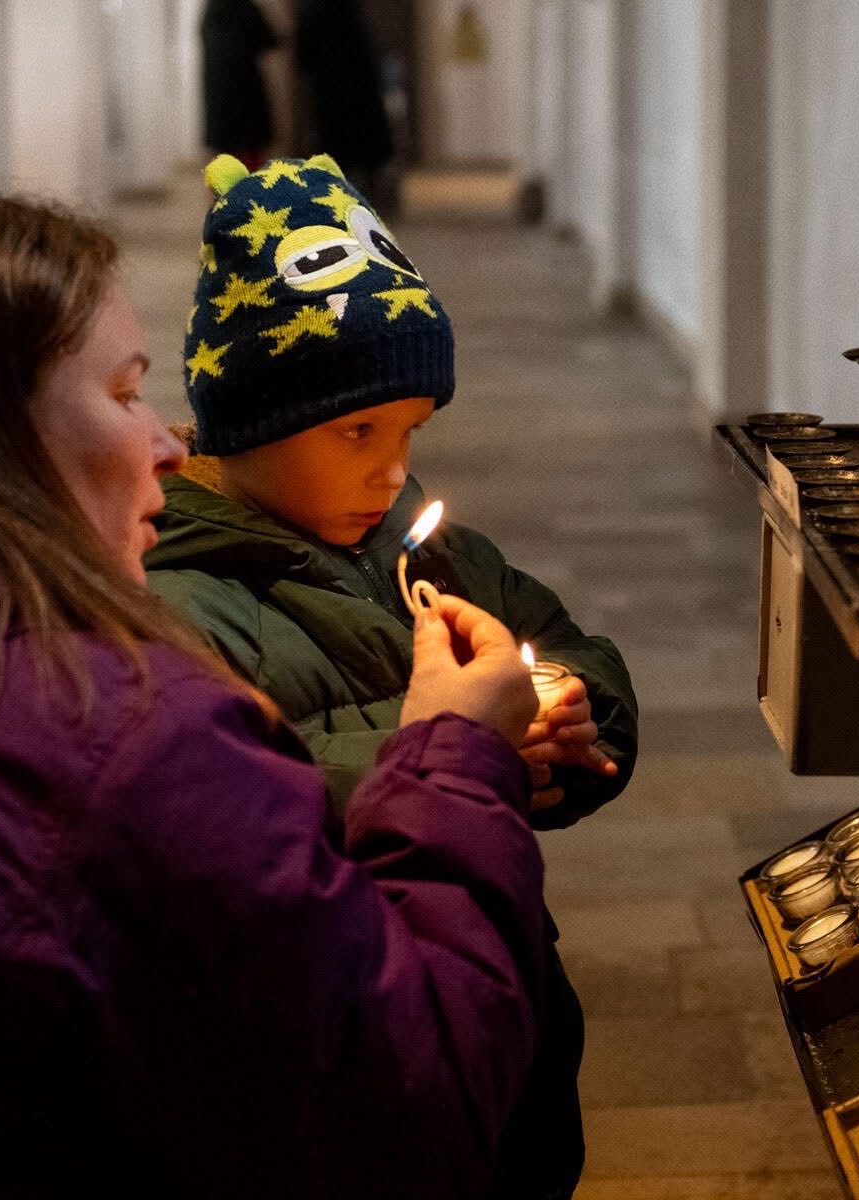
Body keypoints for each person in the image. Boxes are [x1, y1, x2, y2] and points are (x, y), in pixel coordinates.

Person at [0, 194, 551, 1198]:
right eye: (124, 391)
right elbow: (413, 1104)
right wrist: (452, 755)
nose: (171, 445)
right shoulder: (118, 735)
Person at [147, 152, 640, 1198]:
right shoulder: (177, 599)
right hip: (349, 1042)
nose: (391, 468)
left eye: (411, 430)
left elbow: (567, 640)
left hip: (503, 1002)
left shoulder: (411, 538)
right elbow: (240, 799)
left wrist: (566, 709)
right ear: (249, 419)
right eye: (356, 430)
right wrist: (456, 751)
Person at [292, 0, 394, 204]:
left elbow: (304, 58)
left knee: (339, 151)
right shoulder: (351, 10)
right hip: (359, 87)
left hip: (331, 90)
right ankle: (369, 197)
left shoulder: (313, 12)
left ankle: (341, 198)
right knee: (365, 149)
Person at [200, 0, 277, 170]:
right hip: (247, 90)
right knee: (251, 149)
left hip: (219, 93)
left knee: (224, 151)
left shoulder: (210, 11)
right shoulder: (246, 8)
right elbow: (269, 40)